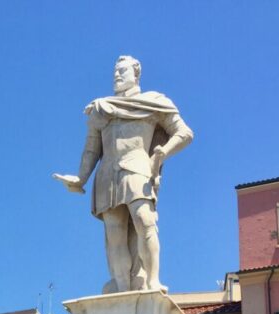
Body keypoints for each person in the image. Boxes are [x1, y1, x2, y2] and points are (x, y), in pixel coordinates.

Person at [54, 55, 193, 294]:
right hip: (107, 174)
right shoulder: (101, 108)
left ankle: (152, 281)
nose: (117, 76)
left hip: (138, 167)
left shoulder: (153, 103)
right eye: (115, 72)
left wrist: (163, 152)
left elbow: (184, 133)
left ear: (136, 74)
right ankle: (121, 288)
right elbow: (91, 149)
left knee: (145, 222)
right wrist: (80, 178)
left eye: (122, 71)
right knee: (114, 234)